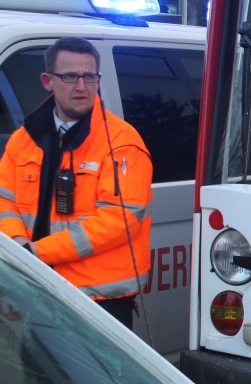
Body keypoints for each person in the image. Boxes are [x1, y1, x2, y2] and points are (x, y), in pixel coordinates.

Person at [0, 38, 152, 328]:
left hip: (97, 301)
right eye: (70, 76)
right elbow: (3, 199)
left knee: (97, 375)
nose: (81, 87)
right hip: (34, 288)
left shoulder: (121, 141)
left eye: (89, 76)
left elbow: (119, 219)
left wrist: (36, 253)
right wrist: (17, 243)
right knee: (36, 372)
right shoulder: (24, 139)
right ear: (48, 81)